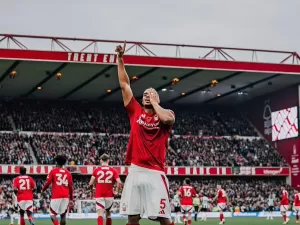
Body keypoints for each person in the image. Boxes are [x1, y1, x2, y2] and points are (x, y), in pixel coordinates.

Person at [115, 42, 175, 225]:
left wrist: (156, 103)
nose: (147, 95)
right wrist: (120, 59)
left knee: (164, 219)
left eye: (151, 93)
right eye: (145, 94)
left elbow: (168, 120)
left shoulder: (167, 114)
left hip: (155, 173)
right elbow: (125, 84)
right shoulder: (135, 111)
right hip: (135, 170)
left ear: (157, 98)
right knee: (132, 218)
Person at [89, 153, 123, 225]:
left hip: (99, 194)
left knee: (100, 214)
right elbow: (119, 182)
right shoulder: (113, 170)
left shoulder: (96, 170)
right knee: (108, 214)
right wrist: (117, 191)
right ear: (108, 160)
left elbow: (90, 183)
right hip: (109, 195)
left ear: (101, 160)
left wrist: (92, 191)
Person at [42, 155, 73, 225]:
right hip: (65, 196)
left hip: (56, 195)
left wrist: (43, 190)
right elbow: (70, 187)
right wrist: (71, 198)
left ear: (56, 162)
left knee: (52, 215)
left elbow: (48, 182)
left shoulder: (53, 171)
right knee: (63, 215)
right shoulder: (68, 173)